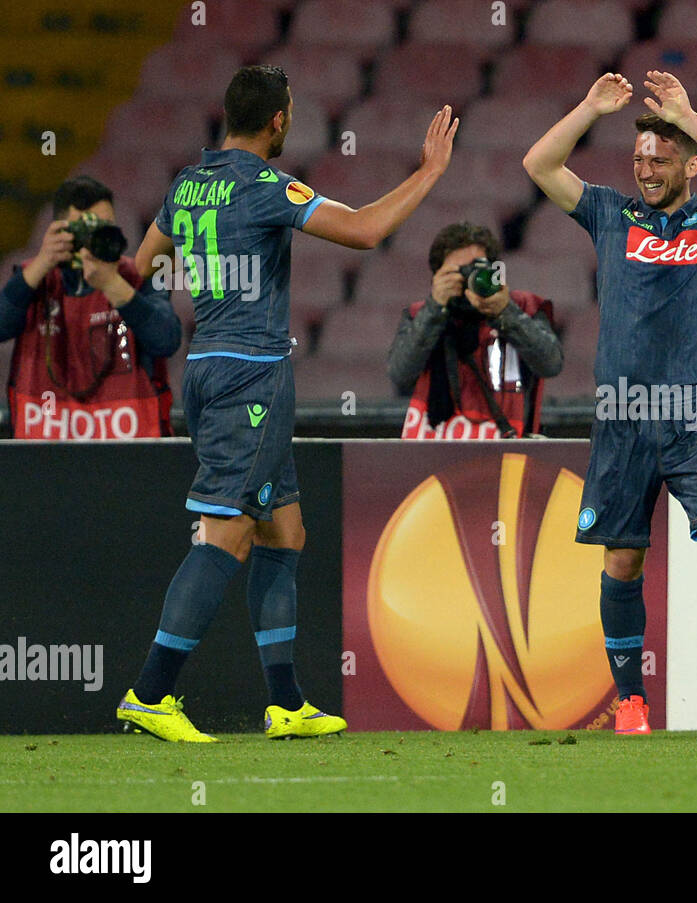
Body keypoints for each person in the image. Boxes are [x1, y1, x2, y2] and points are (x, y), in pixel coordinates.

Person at [116, 65, 458, 741]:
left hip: (207, 362)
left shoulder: (187, 183)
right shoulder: (266, 185)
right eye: (291, 114)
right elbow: (362, 230)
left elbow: (142, 265)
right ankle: (149, 692)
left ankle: (285, 702)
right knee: (232, 530)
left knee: (284, 529)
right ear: (277, 120)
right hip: (252, 376)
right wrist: (429, 173)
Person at [523, 71, 697, 734]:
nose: (646, 169)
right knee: (623, 559)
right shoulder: (610, 214)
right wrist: (587, 107)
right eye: (639, 158)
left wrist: (689, 117)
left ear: (690, 163)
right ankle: (631, 698)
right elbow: (539, 163)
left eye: (660, 159)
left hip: (692, 411)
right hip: (622, 412)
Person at [2, 176, 180, 439]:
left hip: (128, 452)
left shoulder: (136, 277)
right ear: (60, 232)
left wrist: (111, 284)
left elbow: (166, 340)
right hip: (45, 452)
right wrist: (42, 263)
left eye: (105, 228)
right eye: (84, 229)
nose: (94, 239)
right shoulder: (34, 279)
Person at [387, 221, 562, 439]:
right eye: (456, 273)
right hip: (434, 448)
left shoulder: (523, 307)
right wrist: (435, 308)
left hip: (508, 448)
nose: (466, 280)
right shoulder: (420, 315)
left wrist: (504, 312)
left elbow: (551, 364)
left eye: (475, 269)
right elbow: (400, 373)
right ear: (437, 277)